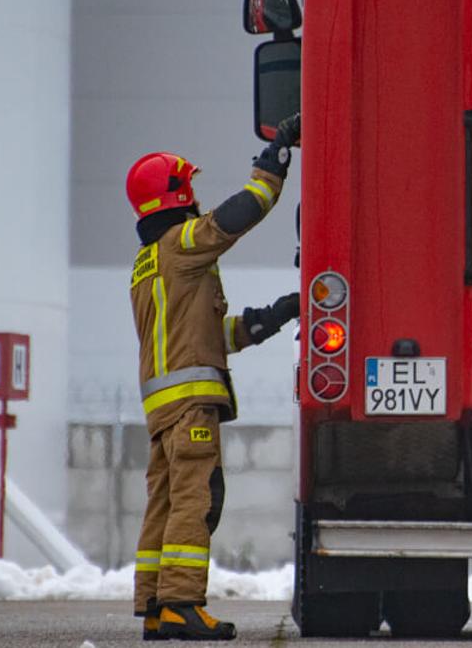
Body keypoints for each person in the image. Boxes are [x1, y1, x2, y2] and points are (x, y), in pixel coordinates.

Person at [127, 117, 302, 641]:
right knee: (196, 500)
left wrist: (270, 317)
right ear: (174, 195)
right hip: (190, 408)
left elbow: (203, 334)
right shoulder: (181, 244)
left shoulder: (148, 263)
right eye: (189, 188)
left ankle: (155, 604)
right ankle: (182, 604)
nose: (197, 197)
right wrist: (273, 160)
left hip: (163, 409)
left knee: (165, 502)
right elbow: (240, 213)